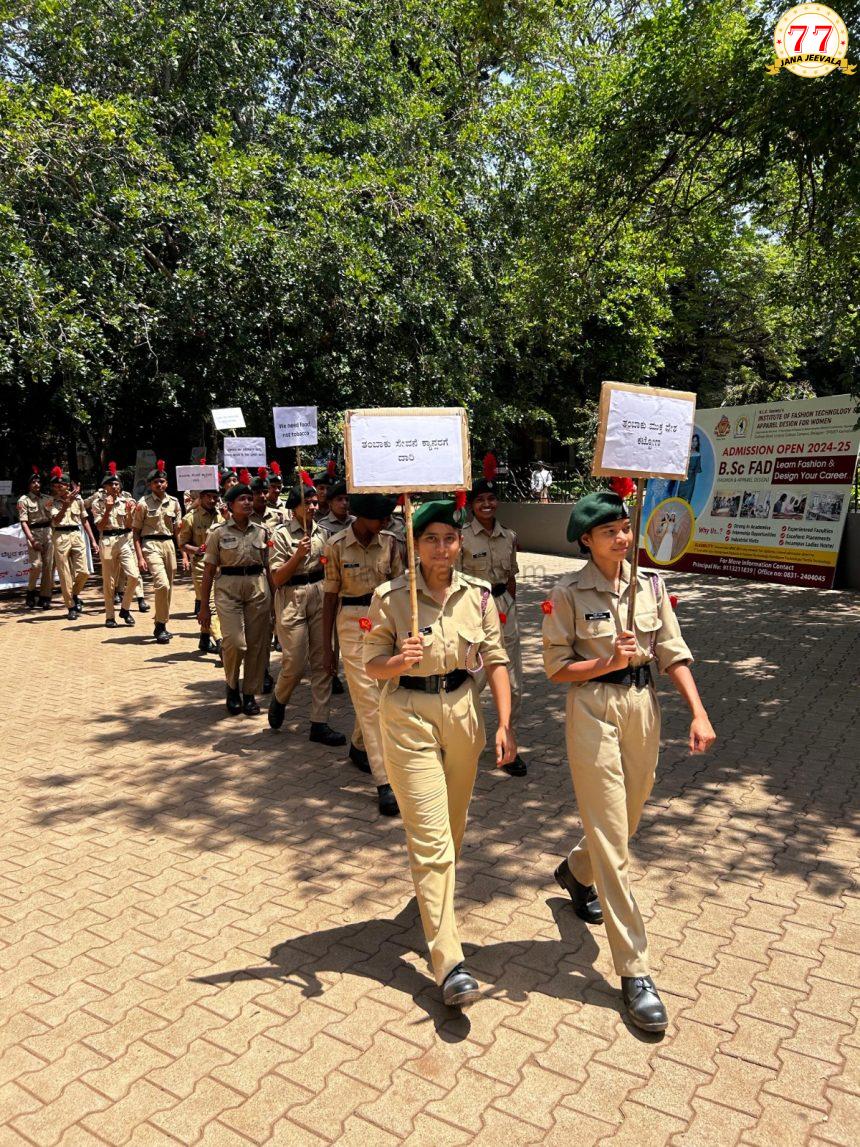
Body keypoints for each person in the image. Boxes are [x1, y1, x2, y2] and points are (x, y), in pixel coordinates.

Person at [542, 489, 716, 1032]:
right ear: (586, 541)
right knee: (613, 835)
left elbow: (672, 651)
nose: (622, 536)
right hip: (592, 709)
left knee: (632, 811)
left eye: (624, 527)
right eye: (610, 531)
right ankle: (634, 970)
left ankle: (575, 871)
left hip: (643, 708)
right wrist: (605, 662)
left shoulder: (652, 585)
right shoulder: (567, 593)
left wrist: (699, 711)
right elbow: (555, 669)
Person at [364, 499, 516, 1007]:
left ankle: (431, 899)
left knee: (453, 826)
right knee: (430, 838)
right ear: (414, 545)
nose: (442, 548)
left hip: (462, 712)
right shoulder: (390, 598)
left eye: (449, 538)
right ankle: (449, 960)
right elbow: (371, 667)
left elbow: (494, 658)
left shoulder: (478, 596)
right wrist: (396, 659)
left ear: (459, 542)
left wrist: (505, 724)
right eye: (430, 539)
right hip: (408, 714)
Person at [322, 494, 403, 816]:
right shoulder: (336, 545)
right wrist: (326, 647)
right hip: (352, 624)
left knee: (383, 693)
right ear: (363, 517)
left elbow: (401, 588)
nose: (385, 522)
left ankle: (359, 746)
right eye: (380, 517)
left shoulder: (391, 543)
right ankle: (385, 782)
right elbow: (330, 598)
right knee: (370, 701)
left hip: (385, 622)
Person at [268, 481, 345, 746]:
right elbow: (277, 577)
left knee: (324, 658)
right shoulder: (280, 535)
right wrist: (297, 555)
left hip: (320, 593)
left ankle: (319, 722)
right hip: (291, 596)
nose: (313, 507)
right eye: (307, 503)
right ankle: (280, 697)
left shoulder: (322, 532)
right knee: (295, 662)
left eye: (315, 503)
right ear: (294, 507)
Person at [459, 477, 527, 776]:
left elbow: (510, 574)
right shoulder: (460, 538)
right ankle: (462, 744)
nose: (487, 504)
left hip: (502, 609)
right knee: (471, 682)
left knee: (512, 683)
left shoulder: (509, 536)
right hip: (471, 611)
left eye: (491, 498)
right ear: (471, 505)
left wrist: (509, 603)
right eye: (480, 500)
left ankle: (508, 747)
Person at [199, 474, 273, 715]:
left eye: (250, 499)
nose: (248, 502)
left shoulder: (262, 531)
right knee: (236, 643)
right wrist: (203, 606)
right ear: (230, 505)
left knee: (256, 644)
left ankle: (249, 693)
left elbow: (270, 567)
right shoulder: (218, 534)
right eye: (242, 499)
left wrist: (275, 600)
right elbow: (209, 570)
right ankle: (232, 685)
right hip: (228, 590)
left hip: (257, 588)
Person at [133, 460, 181, 644]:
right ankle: (160, 625)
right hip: (150, 545)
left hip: (169, 545)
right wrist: (140, 557)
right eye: (155, 482)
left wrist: (183, 554)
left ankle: (161, 622)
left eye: (162, 481)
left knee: (169, 588)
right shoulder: (143, 504)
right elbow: (136, 532)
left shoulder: (174, 503)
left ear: (166, 484)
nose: (159, 484)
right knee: (162, 585)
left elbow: (178, 532)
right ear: (150, 485)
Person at [89, 462, 140, 627]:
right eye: (111, 483)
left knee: (133, 576)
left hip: (124, 540)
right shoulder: (99, 502)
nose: (115, 486)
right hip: (108, 541)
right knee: (109, 581)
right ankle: (110, 616)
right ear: (105, 486)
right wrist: (108, 510)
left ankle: (125, 608)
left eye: (117, 483)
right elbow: (100, 527)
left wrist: (131, 513)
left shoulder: (128, 500)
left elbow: (130, 525)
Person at [178, 477, 222, 653]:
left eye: (215, 497)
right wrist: (196, 550)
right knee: (210, 603)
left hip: (220, 567)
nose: (212, 500)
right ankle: (220, 641)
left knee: (216, 602)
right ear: (201, 497)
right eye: (208, 496)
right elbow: (182, 544)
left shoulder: (222, 515)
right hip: (201, 567)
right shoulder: (190, 518)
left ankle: (204, 638)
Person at [47, 467, 96, 620]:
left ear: (67, 486)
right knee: (65, 574)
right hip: (60, 535)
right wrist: (65, 505)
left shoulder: (79, 500)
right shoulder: (50, 502)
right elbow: (55, 520)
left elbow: (84, 520)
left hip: (76, 534)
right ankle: (71, 606)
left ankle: (74, 594)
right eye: (55, 486)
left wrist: (93, 540)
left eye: (60, 485)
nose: (57, 488)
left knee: (84, 571)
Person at [17, 467, 54, 610]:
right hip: (34, 533)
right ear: (29, 485)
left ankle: (45, 596)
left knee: (48, 566)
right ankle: (31, 591)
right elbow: (23, 522)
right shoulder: (23, 500)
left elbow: (53, 516)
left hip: (48, 532)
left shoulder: (47, 498)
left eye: (38, 482)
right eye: (33, 482)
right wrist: (32, 540)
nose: (37, 484)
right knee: (36, 565)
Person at [676, 434, 702, 504]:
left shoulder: (698, 455)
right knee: (679, 500)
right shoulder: (685, 454)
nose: (694, 443)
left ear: (697, 443)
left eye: (696, 441)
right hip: (681, 481)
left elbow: (697, 470)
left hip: (691, 482)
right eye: (692, 441)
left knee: (687, 501)